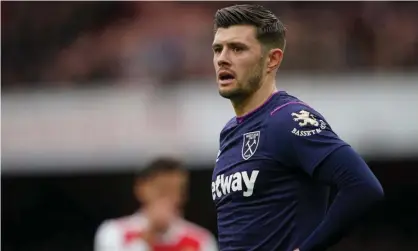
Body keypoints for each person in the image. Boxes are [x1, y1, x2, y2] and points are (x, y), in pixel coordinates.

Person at [211, 4, 384, 251]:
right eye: (218, 49)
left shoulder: (288, 119)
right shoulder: (230, 131)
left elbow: (363, 186)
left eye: (237, 49)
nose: (222, 59)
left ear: (272, 59)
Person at [95, 157, 218, 251]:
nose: (168, 197)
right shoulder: (114, 232)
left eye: (176, 190)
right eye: (162, 189)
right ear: (141, 189)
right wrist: (150, 235)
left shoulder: (201, 240)